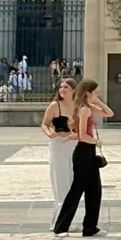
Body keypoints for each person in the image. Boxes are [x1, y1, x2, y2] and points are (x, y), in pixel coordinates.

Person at [53, 77, 105, 237]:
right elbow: (82, 135)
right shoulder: (84, 110)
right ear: (88, 92)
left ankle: (90, 227)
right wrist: (96, 141)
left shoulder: (88, 107)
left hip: (88, 153)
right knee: (76, 190)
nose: (97, 94)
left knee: (94, 191)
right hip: (83, 153)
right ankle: (60, 227)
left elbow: (110, 113)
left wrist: (97, 101)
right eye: (95, 92)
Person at [41, 77, 77, 223]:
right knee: (60, 182)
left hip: (74, 144)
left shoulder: (78, 106)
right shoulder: (55, 106)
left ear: (74, 90)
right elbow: (45, 124)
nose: (62, 90)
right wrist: (50, 133)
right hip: (58, 144)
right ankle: (61, 221)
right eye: (61, 87)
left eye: (66, 87)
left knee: (73, 182)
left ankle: (71, 218)